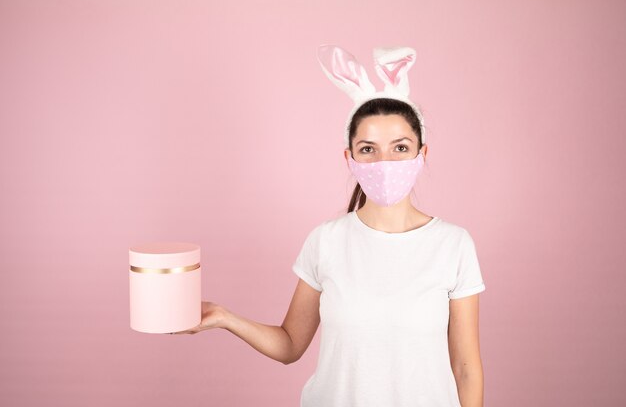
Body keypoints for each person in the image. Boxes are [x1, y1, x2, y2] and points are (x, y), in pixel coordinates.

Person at [173, 45, 486, 407]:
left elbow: (466, 368)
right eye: (368, 149)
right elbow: (290, 344)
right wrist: (224, 318)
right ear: (350, 157)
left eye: (400, 148)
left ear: (422, 153)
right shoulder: (326, 241)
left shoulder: (453, 245)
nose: (384, 161)